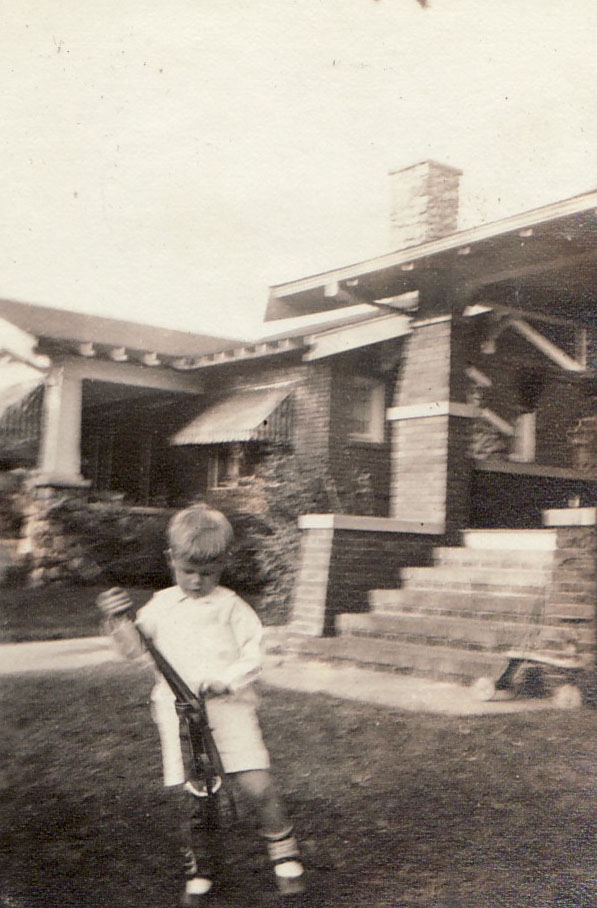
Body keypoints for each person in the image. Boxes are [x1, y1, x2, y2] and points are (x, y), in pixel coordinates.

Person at [97, 504, 305, 906]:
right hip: (180, 717)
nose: (196, 581)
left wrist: (227, 680)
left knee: (257, 785)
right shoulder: (160, 606)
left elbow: (255, 653)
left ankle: (284, 851)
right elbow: (134, 651)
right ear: (171, 559)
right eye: (188, 570)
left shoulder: (232, 607)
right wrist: (118, 622)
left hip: (228, 710)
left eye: (207, 573)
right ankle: (202, 868)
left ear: (223, 564)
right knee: (198, 797)